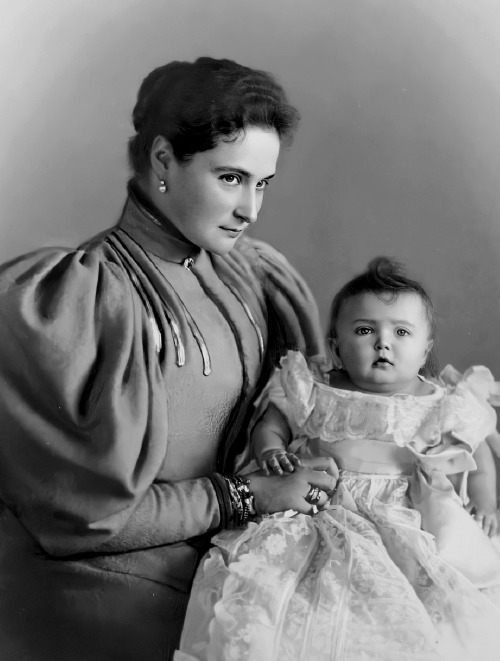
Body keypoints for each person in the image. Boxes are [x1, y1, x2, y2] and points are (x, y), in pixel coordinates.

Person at [0, 57, 338, 661]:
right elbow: (80, 520)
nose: (250, 210)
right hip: (108, 590)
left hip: (234, 570)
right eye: (231, 178)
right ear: (162, 160)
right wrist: (242, 496)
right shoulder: (78, 300)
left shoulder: (254, 273)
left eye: (262, 183)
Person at [177, 257, 500, 661]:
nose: (383, 343)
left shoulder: (438, 401)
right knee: (296, 592)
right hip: (323, 504)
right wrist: (271, 448)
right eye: (365, 330)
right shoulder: (316, 390)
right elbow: (273, 421)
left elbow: (476, 446)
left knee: (419, 604)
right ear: (336, 348)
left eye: (401, 332)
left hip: (405, 513)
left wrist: (485, 501)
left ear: (424, 351)